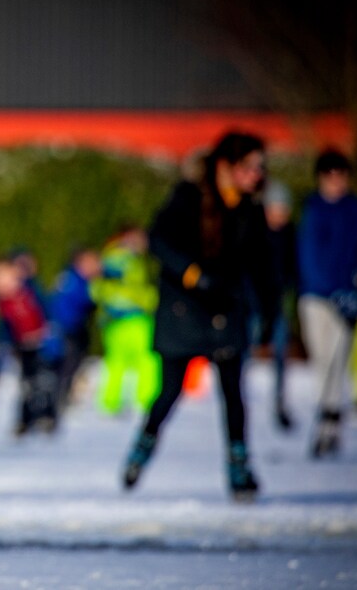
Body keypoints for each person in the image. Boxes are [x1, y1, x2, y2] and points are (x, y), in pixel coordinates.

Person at [121, 131, 278, 502]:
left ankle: (239, 467)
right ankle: (141, 450)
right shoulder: (188, 197)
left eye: (260, 167)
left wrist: (269, 312)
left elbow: (263, 268)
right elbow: (158, 241)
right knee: (170, 390)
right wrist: (192, 273)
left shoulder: (250, 211)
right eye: (251, 166)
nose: (258, 174)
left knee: (233, 393)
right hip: (184, 310)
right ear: (227, 167)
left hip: (226, 310)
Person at [296, 150, 357, 458]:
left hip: (349, 298)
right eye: (330, 175)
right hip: (317, 298)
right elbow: (310, 261)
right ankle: (324, 417)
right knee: (322, 361)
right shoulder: (313, 210)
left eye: (340, 175)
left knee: (339, 362)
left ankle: (332, 421)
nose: (336, 181)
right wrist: (332, 291)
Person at [0, 257, 62, 435]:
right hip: (24, 347)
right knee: (28, 385)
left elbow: (46, 312)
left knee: (45, 382)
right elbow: (4, 331)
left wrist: (50, 334)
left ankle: (47, 416)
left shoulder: (29, 291)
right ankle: (25, 420)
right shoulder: (3, 303)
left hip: (43, 343)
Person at [91, 226, 160, 416]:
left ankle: (110, 401)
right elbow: (127, 289)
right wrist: (152, 300)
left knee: (117, 361)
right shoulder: (123, 259)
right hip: (131, 317)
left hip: (113, 320)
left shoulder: (109, 256)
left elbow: (98, 288)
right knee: (146, 358)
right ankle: (146, 400)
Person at [261, 179, 298, 430]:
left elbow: (295, 267)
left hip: (278, 301)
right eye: (275, 208)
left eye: (283, 209)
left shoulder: (291, 234)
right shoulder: (254, 232)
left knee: (280, 355)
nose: (279, 215)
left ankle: (279, 400)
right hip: (255, 303)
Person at [46, 247, 100, 412]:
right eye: (92, 262)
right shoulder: (73, 280)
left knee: (71, 364)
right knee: (67, 365)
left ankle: (60, 398)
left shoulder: (73, 279)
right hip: (67, 329)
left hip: (71, 328)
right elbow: (70, 304)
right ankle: (59, 399)